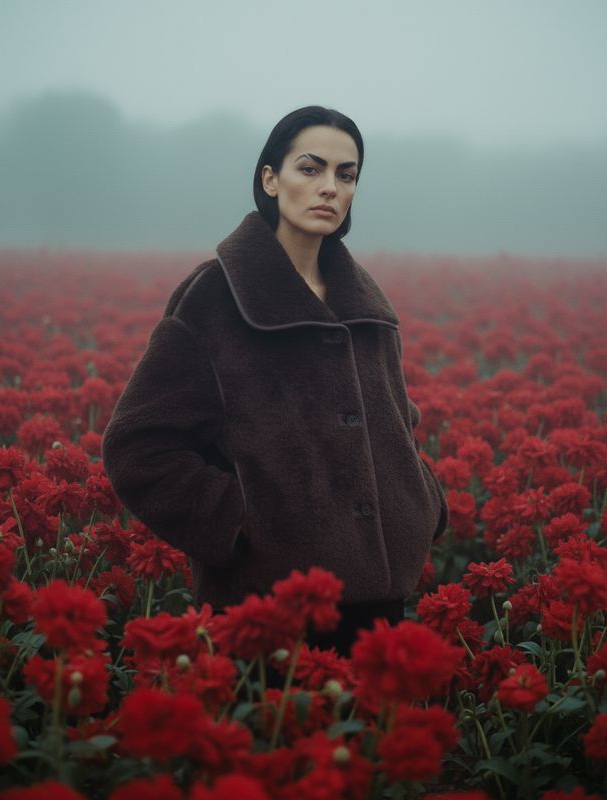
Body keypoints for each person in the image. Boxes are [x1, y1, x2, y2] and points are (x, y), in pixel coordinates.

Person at [101, 106, 448, 657]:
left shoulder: (366, 302)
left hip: (380, 598)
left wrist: (422, 502)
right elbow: (138, 446)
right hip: (265, 607)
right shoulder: (216, 296)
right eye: (310, 169)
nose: (329, 188)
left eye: (346, 174)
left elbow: (397, 426)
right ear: (270, 178)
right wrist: (243, 523)